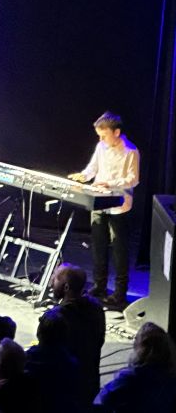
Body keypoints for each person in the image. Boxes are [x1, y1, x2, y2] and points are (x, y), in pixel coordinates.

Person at [68, 111, 140, 309]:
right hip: (99, 201)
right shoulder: (101, 146)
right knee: (98, 246)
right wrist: (83, 176)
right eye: (99, 136)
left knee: (119, 249)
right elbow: (92, 168)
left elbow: (133, 179)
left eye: (104, 135)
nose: (101, 139)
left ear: (116, 132)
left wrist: (110, 183)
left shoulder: (131, 151)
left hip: (119, 205)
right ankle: (99, 286)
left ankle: (120, 292)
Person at [49, 263, 105, 406]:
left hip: (64, 390)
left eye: (55, 279)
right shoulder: (97, 309)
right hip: (90, 385)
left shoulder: (57, 316)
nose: (51, 282)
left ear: (66, 287)